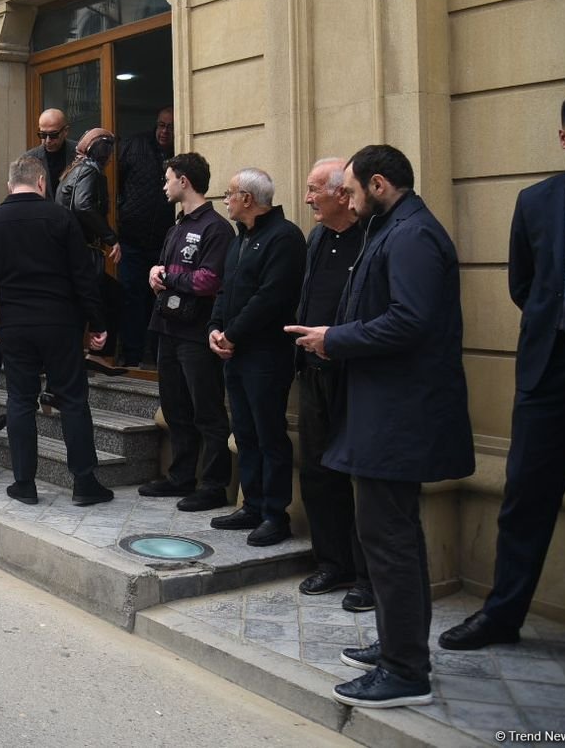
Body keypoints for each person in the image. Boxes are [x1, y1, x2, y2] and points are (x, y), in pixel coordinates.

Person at [438, 90, 565, 676]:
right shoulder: (536, 200)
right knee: (525, 494)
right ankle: (503, 613)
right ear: (564, 137)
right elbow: (525, 283)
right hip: (551, 366)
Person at [288, 144, 474, 709]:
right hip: (383, 409)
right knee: (393, 537)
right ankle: (398, 646)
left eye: (350, 191)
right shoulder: (393, 227)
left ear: (377, 185)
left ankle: (404, 670)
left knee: (390, 541)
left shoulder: (412, 234)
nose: (344, 201)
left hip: (398, 414)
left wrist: (334, 339)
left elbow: (410, 321)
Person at [0, 156, 114, 506]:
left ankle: (24, 483)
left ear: (9, 185)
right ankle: (84, 482)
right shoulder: (61, 218)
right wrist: (97, 322)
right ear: (42, 182)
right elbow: (83, 276)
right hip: (61, 323)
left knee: (20, 400)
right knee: (73, 399)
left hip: (15, 326)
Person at [205, 168, 305, 546]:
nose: (225, 200)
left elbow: (271, 298)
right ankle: (252, 504)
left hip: (266, 355)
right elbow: (224, 290)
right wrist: (215, 328)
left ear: (247, 198)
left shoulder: (285, 237)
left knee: (269, 434)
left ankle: (275, 515)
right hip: (235, 355)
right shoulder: (239, 239)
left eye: (229, 193)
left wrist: (231, 334)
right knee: (245, 432)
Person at [292, 158, 373, 612]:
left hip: (354, 375)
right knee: (317, 471)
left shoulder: (372, 237)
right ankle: (332, 562)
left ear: (343, 194)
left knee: (361, 476)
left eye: (314, 190)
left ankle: (367, 576)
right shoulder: (317, 237)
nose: (307, 199)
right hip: (313, 372)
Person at [137, 152, 233, 512]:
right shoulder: (175, 227)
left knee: (207, 411)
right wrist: (155, 274)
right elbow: (166, 270)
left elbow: (210, 280)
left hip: (197, 333)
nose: (164, 186)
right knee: (175, 408)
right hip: (167, 327)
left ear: (184, 181)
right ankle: (180, 476)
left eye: (168, 179)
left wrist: (170, 277)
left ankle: (214, 485)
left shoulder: (215, 228)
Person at [56, 128, 125, 376]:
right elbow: (83, 205)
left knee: (96, 301)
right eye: (108, 151)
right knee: (103, 299)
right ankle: (96, 355)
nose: (110, 156)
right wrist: (111, 238)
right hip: (83, 254)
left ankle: (88, 359)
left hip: (72, 253)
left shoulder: (74, 170)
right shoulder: (88, 170)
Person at [116, 106, 176, 366]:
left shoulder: (179, 154)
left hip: (163, 242)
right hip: (131, 239)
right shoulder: (134, 146)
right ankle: (132, 357)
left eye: (170, 127)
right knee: (131, 297)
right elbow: (115, 181)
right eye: (161, 125)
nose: (164, 131)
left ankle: (155, 357)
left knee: (159, 300)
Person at [23, 107, 72, 196]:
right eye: (43, 135)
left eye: (53, 135)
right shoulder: (29, 159)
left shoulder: (80, 153)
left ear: (65, 131)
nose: (48, 140)